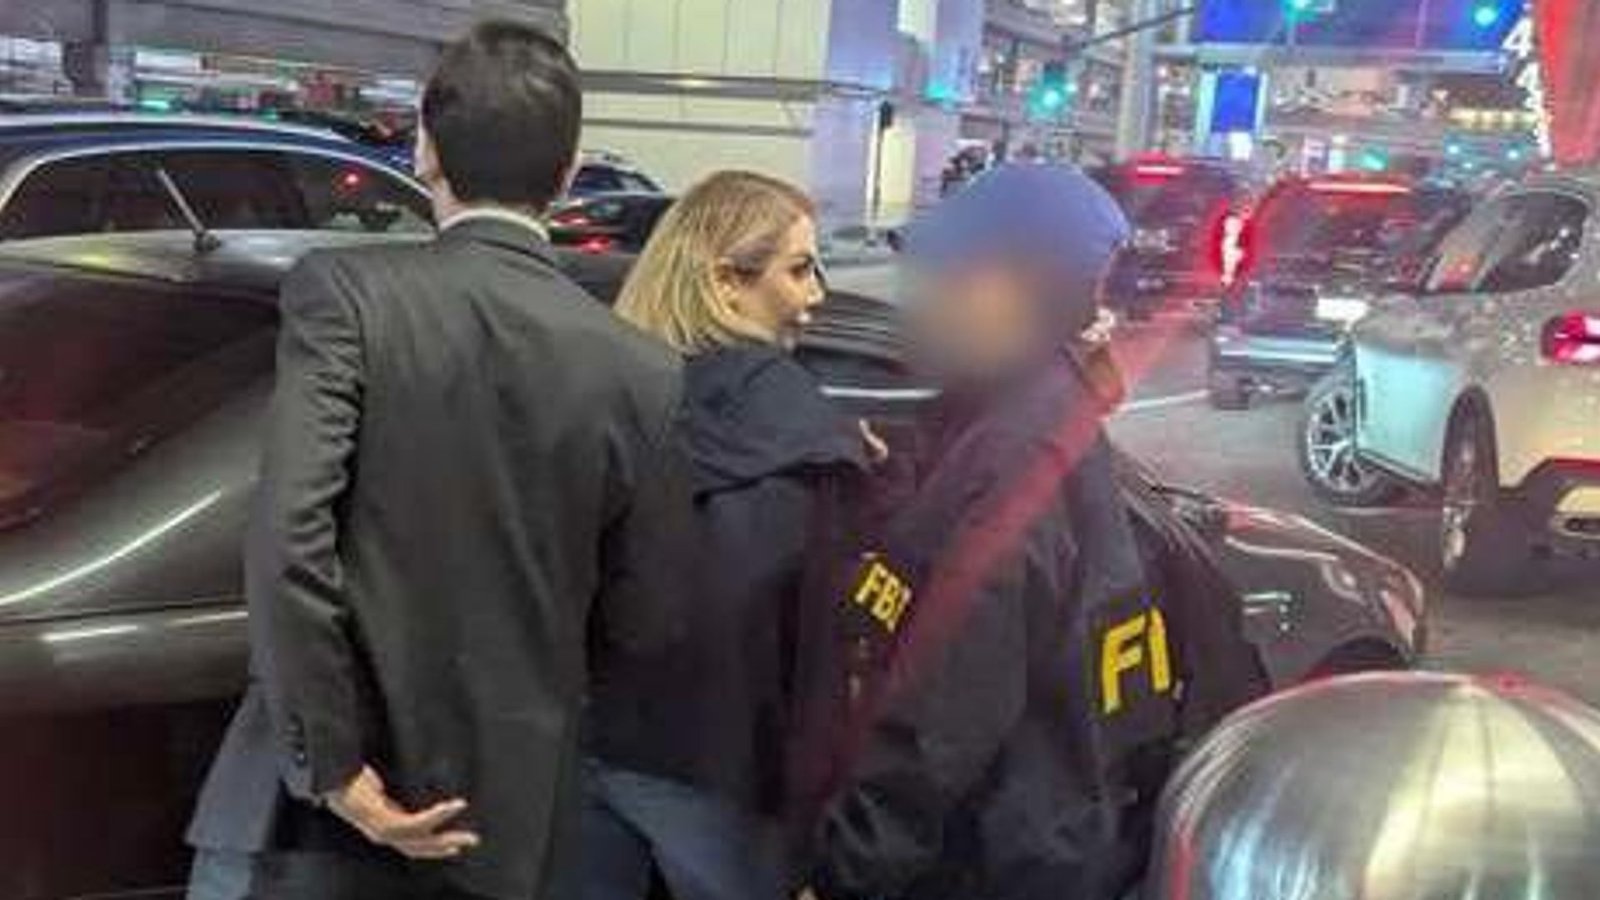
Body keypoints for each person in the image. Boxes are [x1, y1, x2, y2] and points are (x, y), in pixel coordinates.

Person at [185, 21, 684, 900]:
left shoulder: (346, 296)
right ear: (569, 174)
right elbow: (640, 622)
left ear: (425, 151)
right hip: (504, 830)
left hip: (306, 825)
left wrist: (335, 766)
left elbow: (291, 536)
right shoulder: (642, 370)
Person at [800, 164, 1266, 900]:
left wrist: (842, 872)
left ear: (1021, 291)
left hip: (991, 868)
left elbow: (946, 713)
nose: (923, 300)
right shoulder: (1019, 418)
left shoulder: (1018, 458)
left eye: (950, 279)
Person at [581, 171, 878, 900]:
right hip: (733, 773)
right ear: (725, 283)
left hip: (593, 750)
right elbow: (819, 644)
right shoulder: (801, 430)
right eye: (798, 270)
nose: (816, 295)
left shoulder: (606, 393)